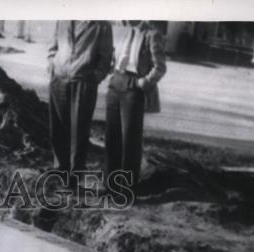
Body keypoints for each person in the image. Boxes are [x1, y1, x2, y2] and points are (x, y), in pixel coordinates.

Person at [105, 21, 167, 193]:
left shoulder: (152, 34)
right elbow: (112, 55)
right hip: (116, 81)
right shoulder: (122, 31)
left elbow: (160, 67)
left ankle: (128, 188)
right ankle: (111, 185)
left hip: (134, 85)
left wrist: (144, 82)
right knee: (112, 137)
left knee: (130, 139)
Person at [47, 20, 114, 180]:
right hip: (59, 79)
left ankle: (75, 175)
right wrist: (52, 65)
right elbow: (52, 48)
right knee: (58, 127)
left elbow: (106, 58)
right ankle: (60, 169)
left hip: (84, 82)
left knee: (79, 131)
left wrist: (94, 78)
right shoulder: (63, 20)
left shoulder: (101, 25)